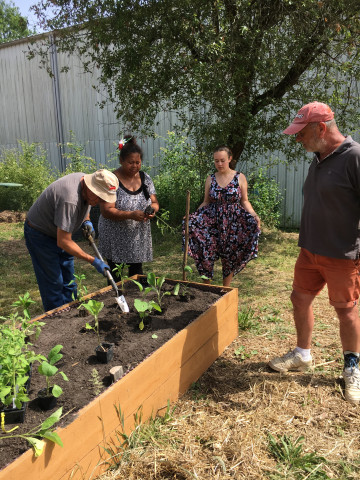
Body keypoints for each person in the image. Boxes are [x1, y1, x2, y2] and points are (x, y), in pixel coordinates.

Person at [268, 101, 360, 404]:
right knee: (299, 299)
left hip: (341, 254)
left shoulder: (354, 157)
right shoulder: (319, 156)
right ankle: (303, 354)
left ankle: (352, 367)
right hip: (310, 250)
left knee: (345, 312)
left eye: (300, 133)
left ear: (321, 128)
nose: (297, 139)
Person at [24, 169, 119, 312]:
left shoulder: (85, 183)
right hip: (40, 234)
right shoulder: (70, 199)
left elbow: (86, 203)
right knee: (54, 284)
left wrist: (86, 221)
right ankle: (56, 321)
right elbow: (63, 241)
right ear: (90, 187)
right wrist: (93, 260)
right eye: (100, 197)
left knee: (69, 282)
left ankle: (71, 316)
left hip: (61, 230)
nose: (100, 201)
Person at [184, 145, 261, 287]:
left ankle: (225, 289)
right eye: (216, 161)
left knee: (231, 254)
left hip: (234, 222)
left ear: (230, 159)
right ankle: (207, 287)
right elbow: (206, 202)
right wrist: (193, 216)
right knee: (205, 250)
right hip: (211, 221)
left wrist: (254, 215)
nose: (219, 164)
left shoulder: (240, 177)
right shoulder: (210, 178)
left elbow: (244, 201)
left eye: (222, 160)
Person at [98, 136, 159, 277]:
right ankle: (117, 299)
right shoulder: (111, 180)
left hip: (137, 238)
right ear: (121, 161)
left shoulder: (145, 179)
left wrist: (152, 211)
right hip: (114, 237)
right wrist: (130, 215)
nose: (135, 166)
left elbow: (155, 202)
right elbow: (106, 211)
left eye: (138, 162)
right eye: (131, 162)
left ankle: (135, 299)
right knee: (115, 276)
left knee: (136, 275)